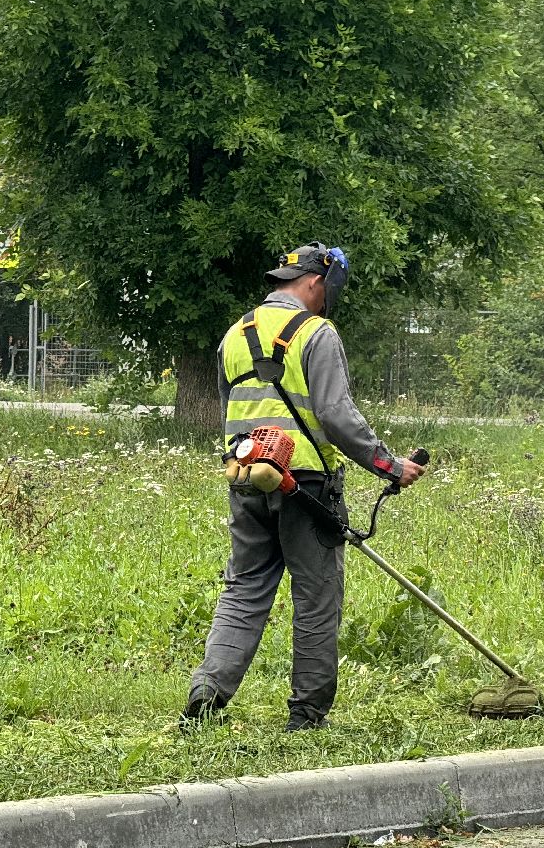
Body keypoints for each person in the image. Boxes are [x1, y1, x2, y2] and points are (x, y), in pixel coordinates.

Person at [182, 242, 426, 732]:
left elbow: (229, 408)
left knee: (244, 589)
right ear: (317, 283)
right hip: (306, 484)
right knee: (316, 597)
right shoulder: (317, 333)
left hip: (247, 478)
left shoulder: (235, 333)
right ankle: (308, 714)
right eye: (329, 291)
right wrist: (389, 466)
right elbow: (336, 414)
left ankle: (207, 693)